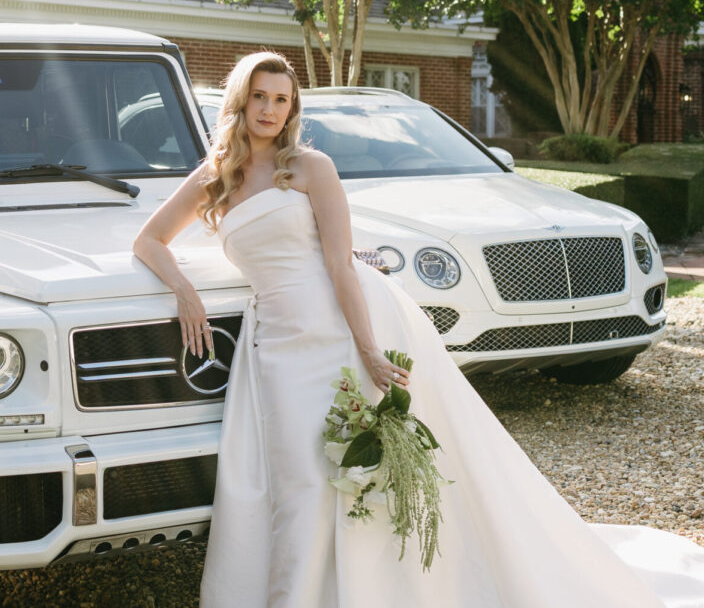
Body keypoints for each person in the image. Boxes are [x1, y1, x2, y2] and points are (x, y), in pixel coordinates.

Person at [133, 52, 704, 607]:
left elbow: (339, 265)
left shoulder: (310, 168)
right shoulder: (216, 177)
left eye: (281, 99)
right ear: (240, 101)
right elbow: (149, 240)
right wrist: (184, 288)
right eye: (259, 96)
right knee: (301, 481)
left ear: (292, 109)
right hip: (277, 343)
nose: (270, 110)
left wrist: (369, 351)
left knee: (355, 472)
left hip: (341, 327)